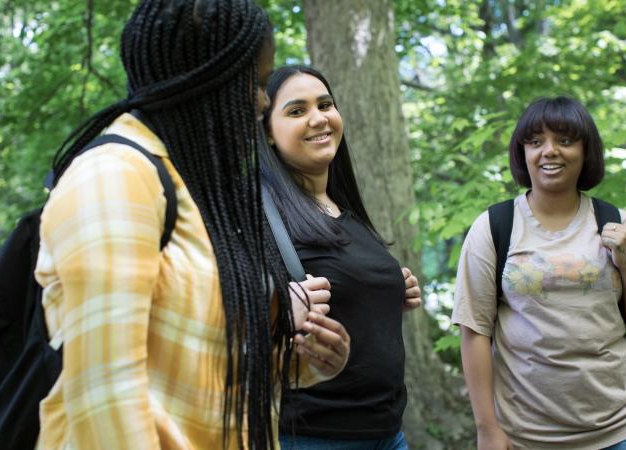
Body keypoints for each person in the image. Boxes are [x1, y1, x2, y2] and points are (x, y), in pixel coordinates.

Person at [33, 2, 350, 449]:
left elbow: (200, 361)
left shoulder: (196, 186)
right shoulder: (114, 177)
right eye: (257, 83)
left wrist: (305, 361)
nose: (263, 102)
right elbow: (104, 403)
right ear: (202, 79)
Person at [452, 96, 626, 449]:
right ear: (522, 152)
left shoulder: (617, 222)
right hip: (528, 435)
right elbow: (474, 331)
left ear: (586, 151)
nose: (549, 151)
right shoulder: (494, 227)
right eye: (536, 142)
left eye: (564, 141)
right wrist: (487, 429)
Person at [259, 65, 422, 450]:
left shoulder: (345, 212)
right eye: (296, 111)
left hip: (389, 431)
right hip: (313, 435)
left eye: (325, 104)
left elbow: (343, 297)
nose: (318, 118)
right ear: (267, 131)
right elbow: (221, 307)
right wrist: (277, 302)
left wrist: (389, 291)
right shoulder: (259, 213)